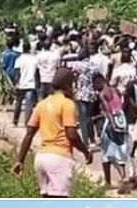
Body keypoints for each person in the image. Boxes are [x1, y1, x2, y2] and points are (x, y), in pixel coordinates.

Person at [14, 67, 93, 197]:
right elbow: (72, 134)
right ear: (69, 85)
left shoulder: (42, 104)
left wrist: (20, 160)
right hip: (59, 158)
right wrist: (85, 151)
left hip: (41, 158)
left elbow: (29, 134)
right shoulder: (67, 104)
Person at [12, 40, 38, 127]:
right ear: (30, 49)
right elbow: (37, 72)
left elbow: (17, 73)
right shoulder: (34, 59)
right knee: (29, 104)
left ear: (23, 49)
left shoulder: (19, 59)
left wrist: (16, 83)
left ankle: (15, 121)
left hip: (21, 84)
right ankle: (27, 122)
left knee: (18, 103)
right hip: (31, 83)